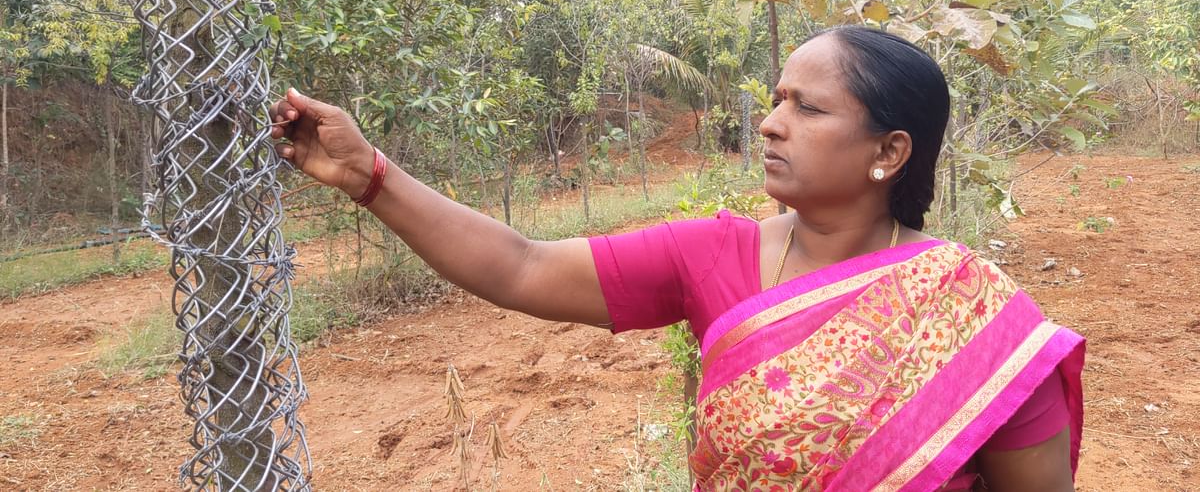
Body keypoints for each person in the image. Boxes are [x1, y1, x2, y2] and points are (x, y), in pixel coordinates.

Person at [270, 26, 1083, 491]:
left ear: (889, 151)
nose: (771, 122)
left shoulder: (975, 317)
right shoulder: (712, 252)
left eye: (806, 105)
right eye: (774, 99)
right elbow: (518, 264)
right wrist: (369, 174)